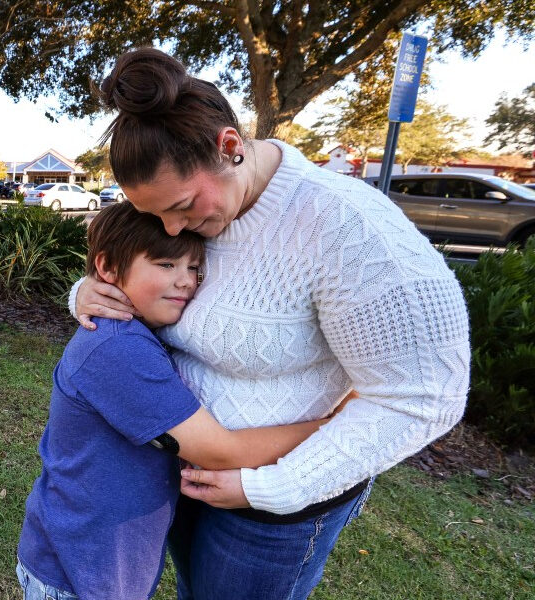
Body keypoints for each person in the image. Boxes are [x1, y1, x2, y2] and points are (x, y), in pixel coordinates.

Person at [70, 48, 470, 599]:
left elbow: (426, 394)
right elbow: (145, 276)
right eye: (153, 215)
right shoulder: (195, 208)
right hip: (183, 478)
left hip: (272, 512)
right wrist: (92, 290)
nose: (171, 226)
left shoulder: (349, 230)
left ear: (230, 146)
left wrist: (278, 486)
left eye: (182, 207)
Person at [17, 201, 343, 600]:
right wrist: (336, 422)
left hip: (99, 561)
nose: (187, 281)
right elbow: (221, 451)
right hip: (80, 572)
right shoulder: (118, 349)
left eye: (194, 268)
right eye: (166, 265)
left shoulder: (136, 332)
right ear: (106, 268)